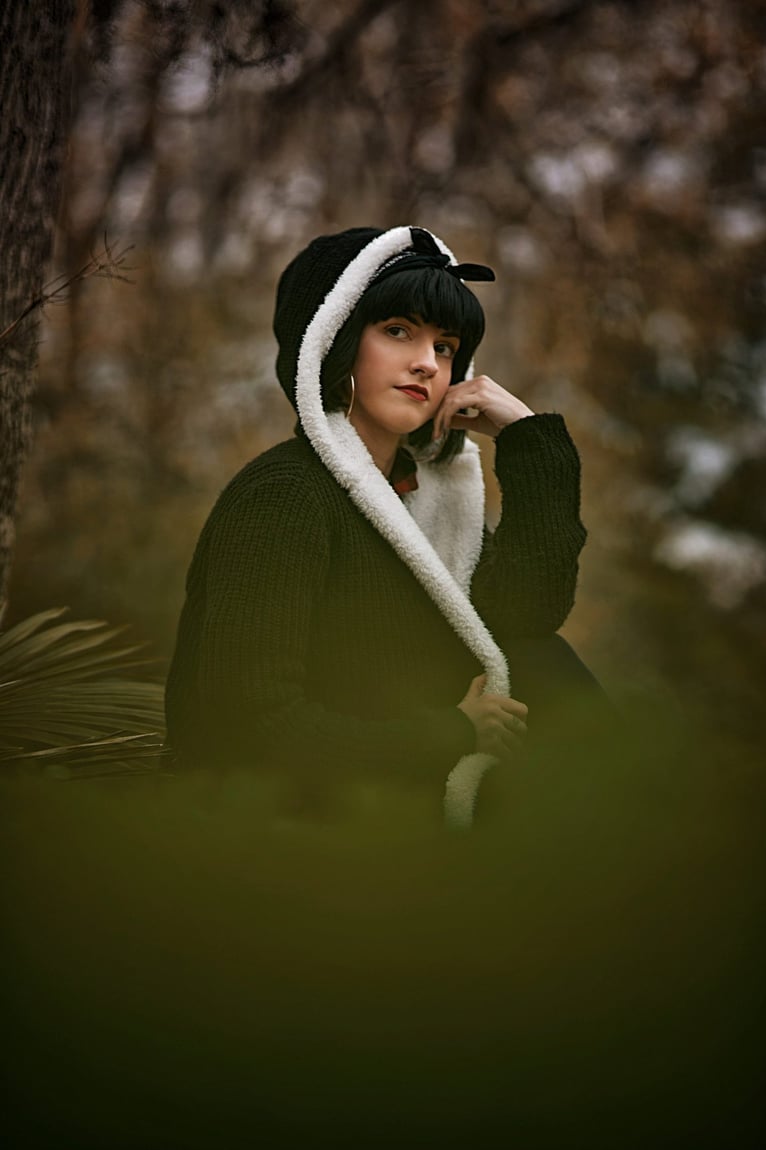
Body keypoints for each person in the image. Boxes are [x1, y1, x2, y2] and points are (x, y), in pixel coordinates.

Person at [165, 225, 605, 827]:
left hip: (399, 816)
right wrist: (451, 733)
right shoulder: (285, 496)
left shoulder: (427, 497)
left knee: (542, 657)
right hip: (287, 827)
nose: (426, 363)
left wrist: (528, 439)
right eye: (398, 331)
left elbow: (527, 616)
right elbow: (249, 723)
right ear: (335, 340)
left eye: (445, 347)